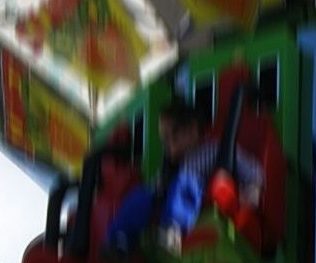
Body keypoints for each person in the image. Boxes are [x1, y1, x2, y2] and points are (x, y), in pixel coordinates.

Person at [105, 97, 264, 254]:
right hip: (168, 203)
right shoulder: (171, 165)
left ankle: (172, 232)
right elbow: (157, 185)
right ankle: (120, 238)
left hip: (202, 203)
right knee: (140, 194)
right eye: (164, 140)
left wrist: (251, 191)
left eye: (172, 136)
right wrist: (153, 191)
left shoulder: (214, 151)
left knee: (186, 182)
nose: (167, 144)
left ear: (192, 131)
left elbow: (254, 172)